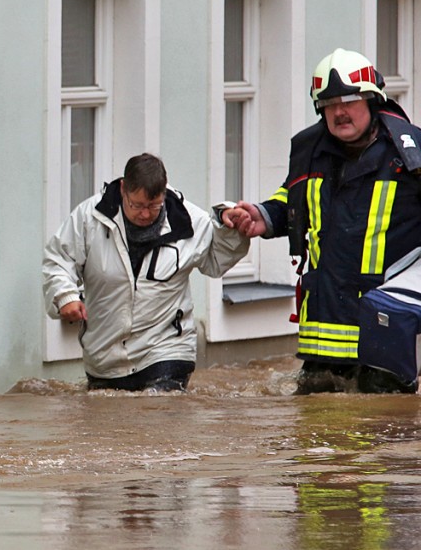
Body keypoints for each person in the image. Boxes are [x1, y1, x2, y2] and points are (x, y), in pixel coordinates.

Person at [223, 48, 421, 394]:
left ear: (372, 101)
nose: (340, 112)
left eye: (349, 100)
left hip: (383, 340)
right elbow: (294, 199)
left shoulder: (410, 156)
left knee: (380, 440)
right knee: (315, 441)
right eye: (330, 104)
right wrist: (263, 216)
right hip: (322, 337)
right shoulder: (310, 150)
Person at [43, 153, 249, 391]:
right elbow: (59, 259)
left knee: (158, 416)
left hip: (167, 348)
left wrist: (229, 226)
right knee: (107, 424)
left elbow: (217, 260)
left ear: (163, 193)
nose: (145, 214)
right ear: (123, 189)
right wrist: (65, 296)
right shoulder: (90, 218)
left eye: (153, 206)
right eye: (137, 205)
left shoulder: (186, 219)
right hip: (105, 355)